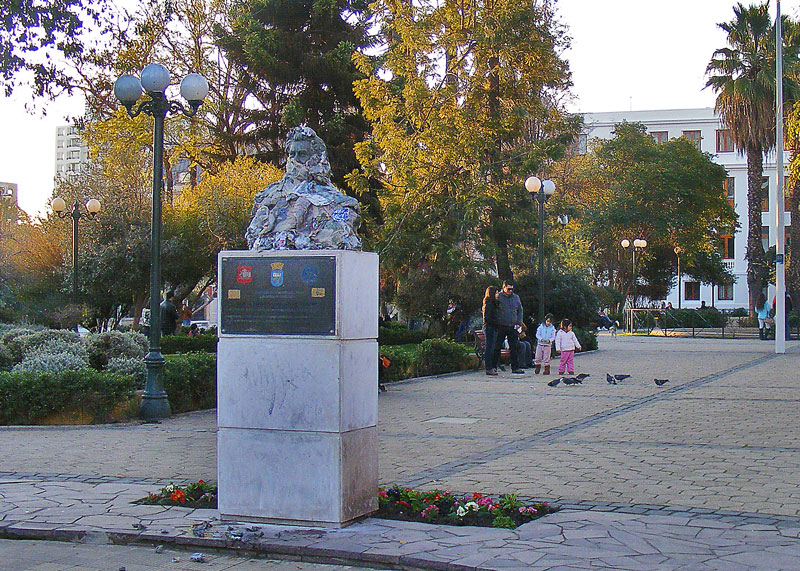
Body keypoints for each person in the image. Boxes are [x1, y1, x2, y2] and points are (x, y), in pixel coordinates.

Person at [494, 280, 524, 374]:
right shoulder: (498, 297)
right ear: (504, 288)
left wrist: (519, 322)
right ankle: (493, 366)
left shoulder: (516, 298)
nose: (510, 291)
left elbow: (520, 310)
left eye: (512, 289)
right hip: (501, 326)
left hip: (513, 326)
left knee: (513, 347)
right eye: (508, 289)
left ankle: (515, 367)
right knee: (497, 347)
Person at [482, 286, 500, 376]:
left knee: (492, 348)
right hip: (490, 327)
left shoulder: (495, 303)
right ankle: (488, 368)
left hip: (494, 327)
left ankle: (491, 367)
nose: (498, 295)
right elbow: (487, 318)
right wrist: (496, 322)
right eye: (496, 293)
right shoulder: (488, 304)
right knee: (489, 348)